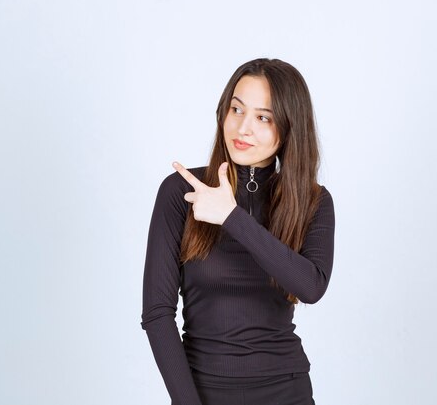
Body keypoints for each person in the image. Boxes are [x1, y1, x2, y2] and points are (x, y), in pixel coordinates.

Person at [140, 58, 335, 405]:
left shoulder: (313, 202)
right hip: (202, 391)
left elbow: (311, 286)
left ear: (289, 128)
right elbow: (157, 313)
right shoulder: (181, 192)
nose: (243, 128)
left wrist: (232, 217)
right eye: (236, 109)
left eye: (264, 117)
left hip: (286, 390)